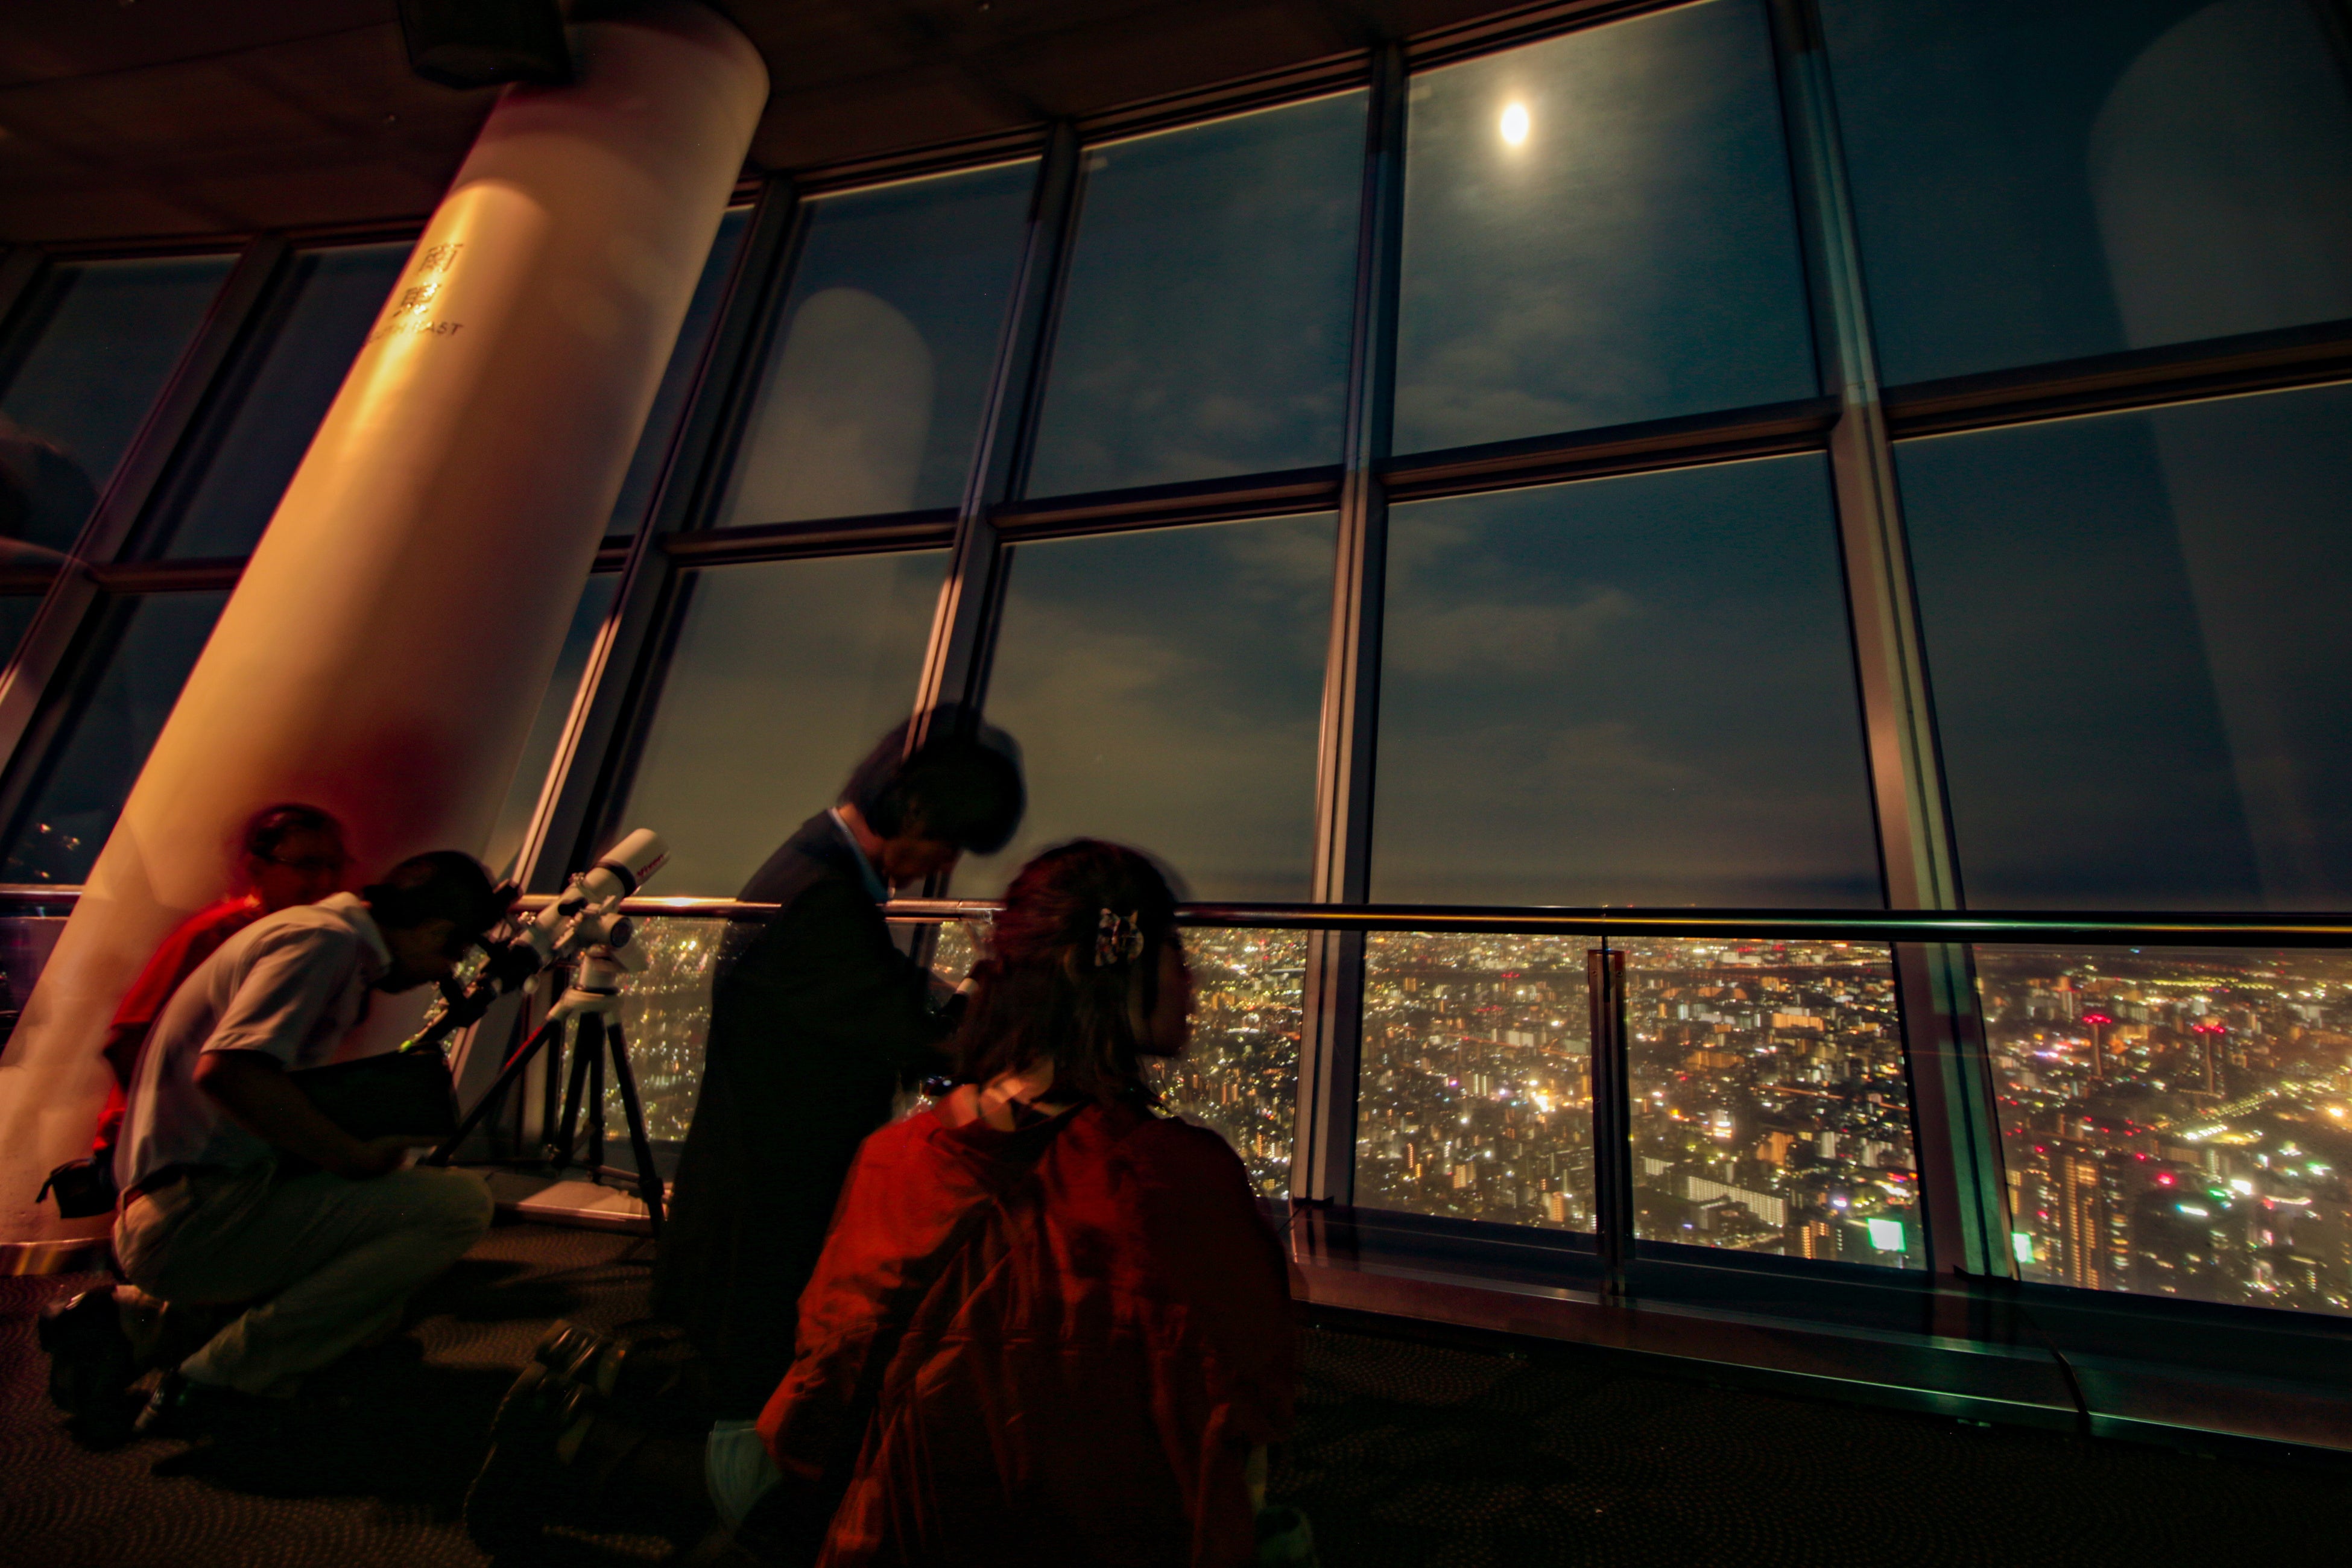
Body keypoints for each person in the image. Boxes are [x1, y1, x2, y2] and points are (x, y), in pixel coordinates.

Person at [752, 839, 1296, 1564]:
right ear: (1109, 965)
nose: (1191, 976)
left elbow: (814, 1393)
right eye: (1172, 949)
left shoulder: (893, 1160)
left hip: (883, 1535)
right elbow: (1246, 1403)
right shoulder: (1169, 1181)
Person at [649, 711, 1025, 1420]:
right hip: (770, 1202)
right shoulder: (824, 897)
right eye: (947, 840)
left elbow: (863, 990)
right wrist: (987, 993)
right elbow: (910, 1037)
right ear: (913, 807)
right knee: (747, 1400)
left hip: (754, 1177)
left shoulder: (816, 864)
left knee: (739, 1390)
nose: (942, 863)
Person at [92, 850, 505, 1436]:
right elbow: (230, 1070)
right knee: (456, 1206)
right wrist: (348, 1154)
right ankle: (216, 1380)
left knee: (376, 1296)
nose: (443, 973)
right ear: (436, 930)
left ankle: (148, 1322)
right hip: (192, 1220)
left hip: (184, 1201)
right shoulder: (323, 944)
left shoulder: (315, 932)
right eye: (449, 954)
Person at [89, 802, 350, 1173]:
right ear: (257, 868)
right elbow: (125, 1044)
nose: (325, 882)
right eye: (307, 865)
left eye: (334, 866)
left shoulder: (305, 943)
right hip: (166, 1158)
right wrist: (172, 1128)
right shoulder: (217, 935)